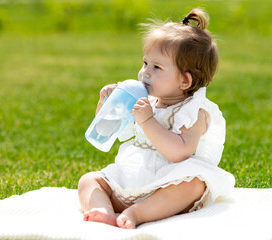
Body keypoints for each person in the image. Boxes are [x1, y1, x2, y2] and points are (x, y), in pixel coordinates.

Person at [78, 8, 235, 229]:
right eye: (145, 63)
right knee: (89, 180)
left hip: (167, 184)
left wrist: (148, 122)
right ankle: (102, 210)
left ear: (184, 82)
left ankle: (138, 213)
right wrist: (108, 105)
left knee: (194, 184)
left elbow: (180, 152)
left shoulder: (194, 113)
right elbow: (106, 131)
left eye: (156, 67)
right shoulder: (145, 102)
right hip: (132, 178)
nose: (145, 73)